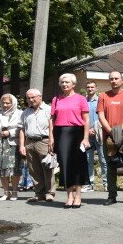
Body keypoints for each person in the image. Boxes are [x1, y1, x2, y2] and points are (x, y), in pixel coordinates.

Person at [49, 74, 91, 208]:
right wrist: (51, 137)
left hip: (77, 132)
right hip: (61, 133)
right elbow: (52, 120)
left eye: (67, 82)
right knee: (65, 164)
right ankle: (69, 196)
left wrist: (86, 137)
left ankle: (78, 196)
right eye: (62, 82)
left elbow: (86, 119)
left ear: (73, 84)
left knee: (78, 165)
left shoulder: (81, 99)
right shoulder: (56, 99)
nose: (64, 84)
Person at [97, 71, 123, 206]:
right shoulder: (103, 96)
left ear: (122, 81)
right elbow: (101, 116)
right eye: (111, 79)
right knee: (110, 167)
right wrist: (111, 131)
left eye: (116, 78)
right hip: (108, 137)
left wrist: (119, 131)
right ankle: (111, 196)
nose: (113, 81)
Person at [17, 89, 55, 203]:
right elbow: (22, 129)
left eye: (33, 97)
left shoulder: (48, 109)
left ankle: (50, 193)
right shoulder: (25, 112)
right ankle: (39, 193)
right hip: (29, 142)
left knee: (47, 167)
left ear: (40, 97)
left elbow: (53, 126)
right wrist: (22, 145)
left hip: (44, 141)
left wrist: (51, 140)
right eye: (28, 98)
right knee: (34, 169)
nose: (30, 100)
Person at [0, 94, 23, 201]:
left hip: (14, 145)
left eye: (8, 103)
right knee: (2, 170)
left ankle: (14, 192)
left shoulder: (20, 113)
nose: (5, 105)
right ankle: (6, 193)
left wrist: (10, 132)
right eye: (3, 103)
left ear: (13, 103)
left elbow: (22, 129)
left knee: (14, 169)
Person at [83, 81, 107, 191]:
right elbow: (80, 117)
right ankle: (89, 183)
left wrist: (98, 128)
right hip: (87, 135)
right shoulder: (83, 101)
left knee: (103, 159)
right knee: (88, 160)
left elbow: (105, 116)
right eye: (88, 87)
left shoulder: (101, 101)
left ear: (96, 88)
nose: (90, 89)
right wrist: (87, 130)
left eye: (92, 87)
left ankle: (106, 183)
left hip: (100, 133)